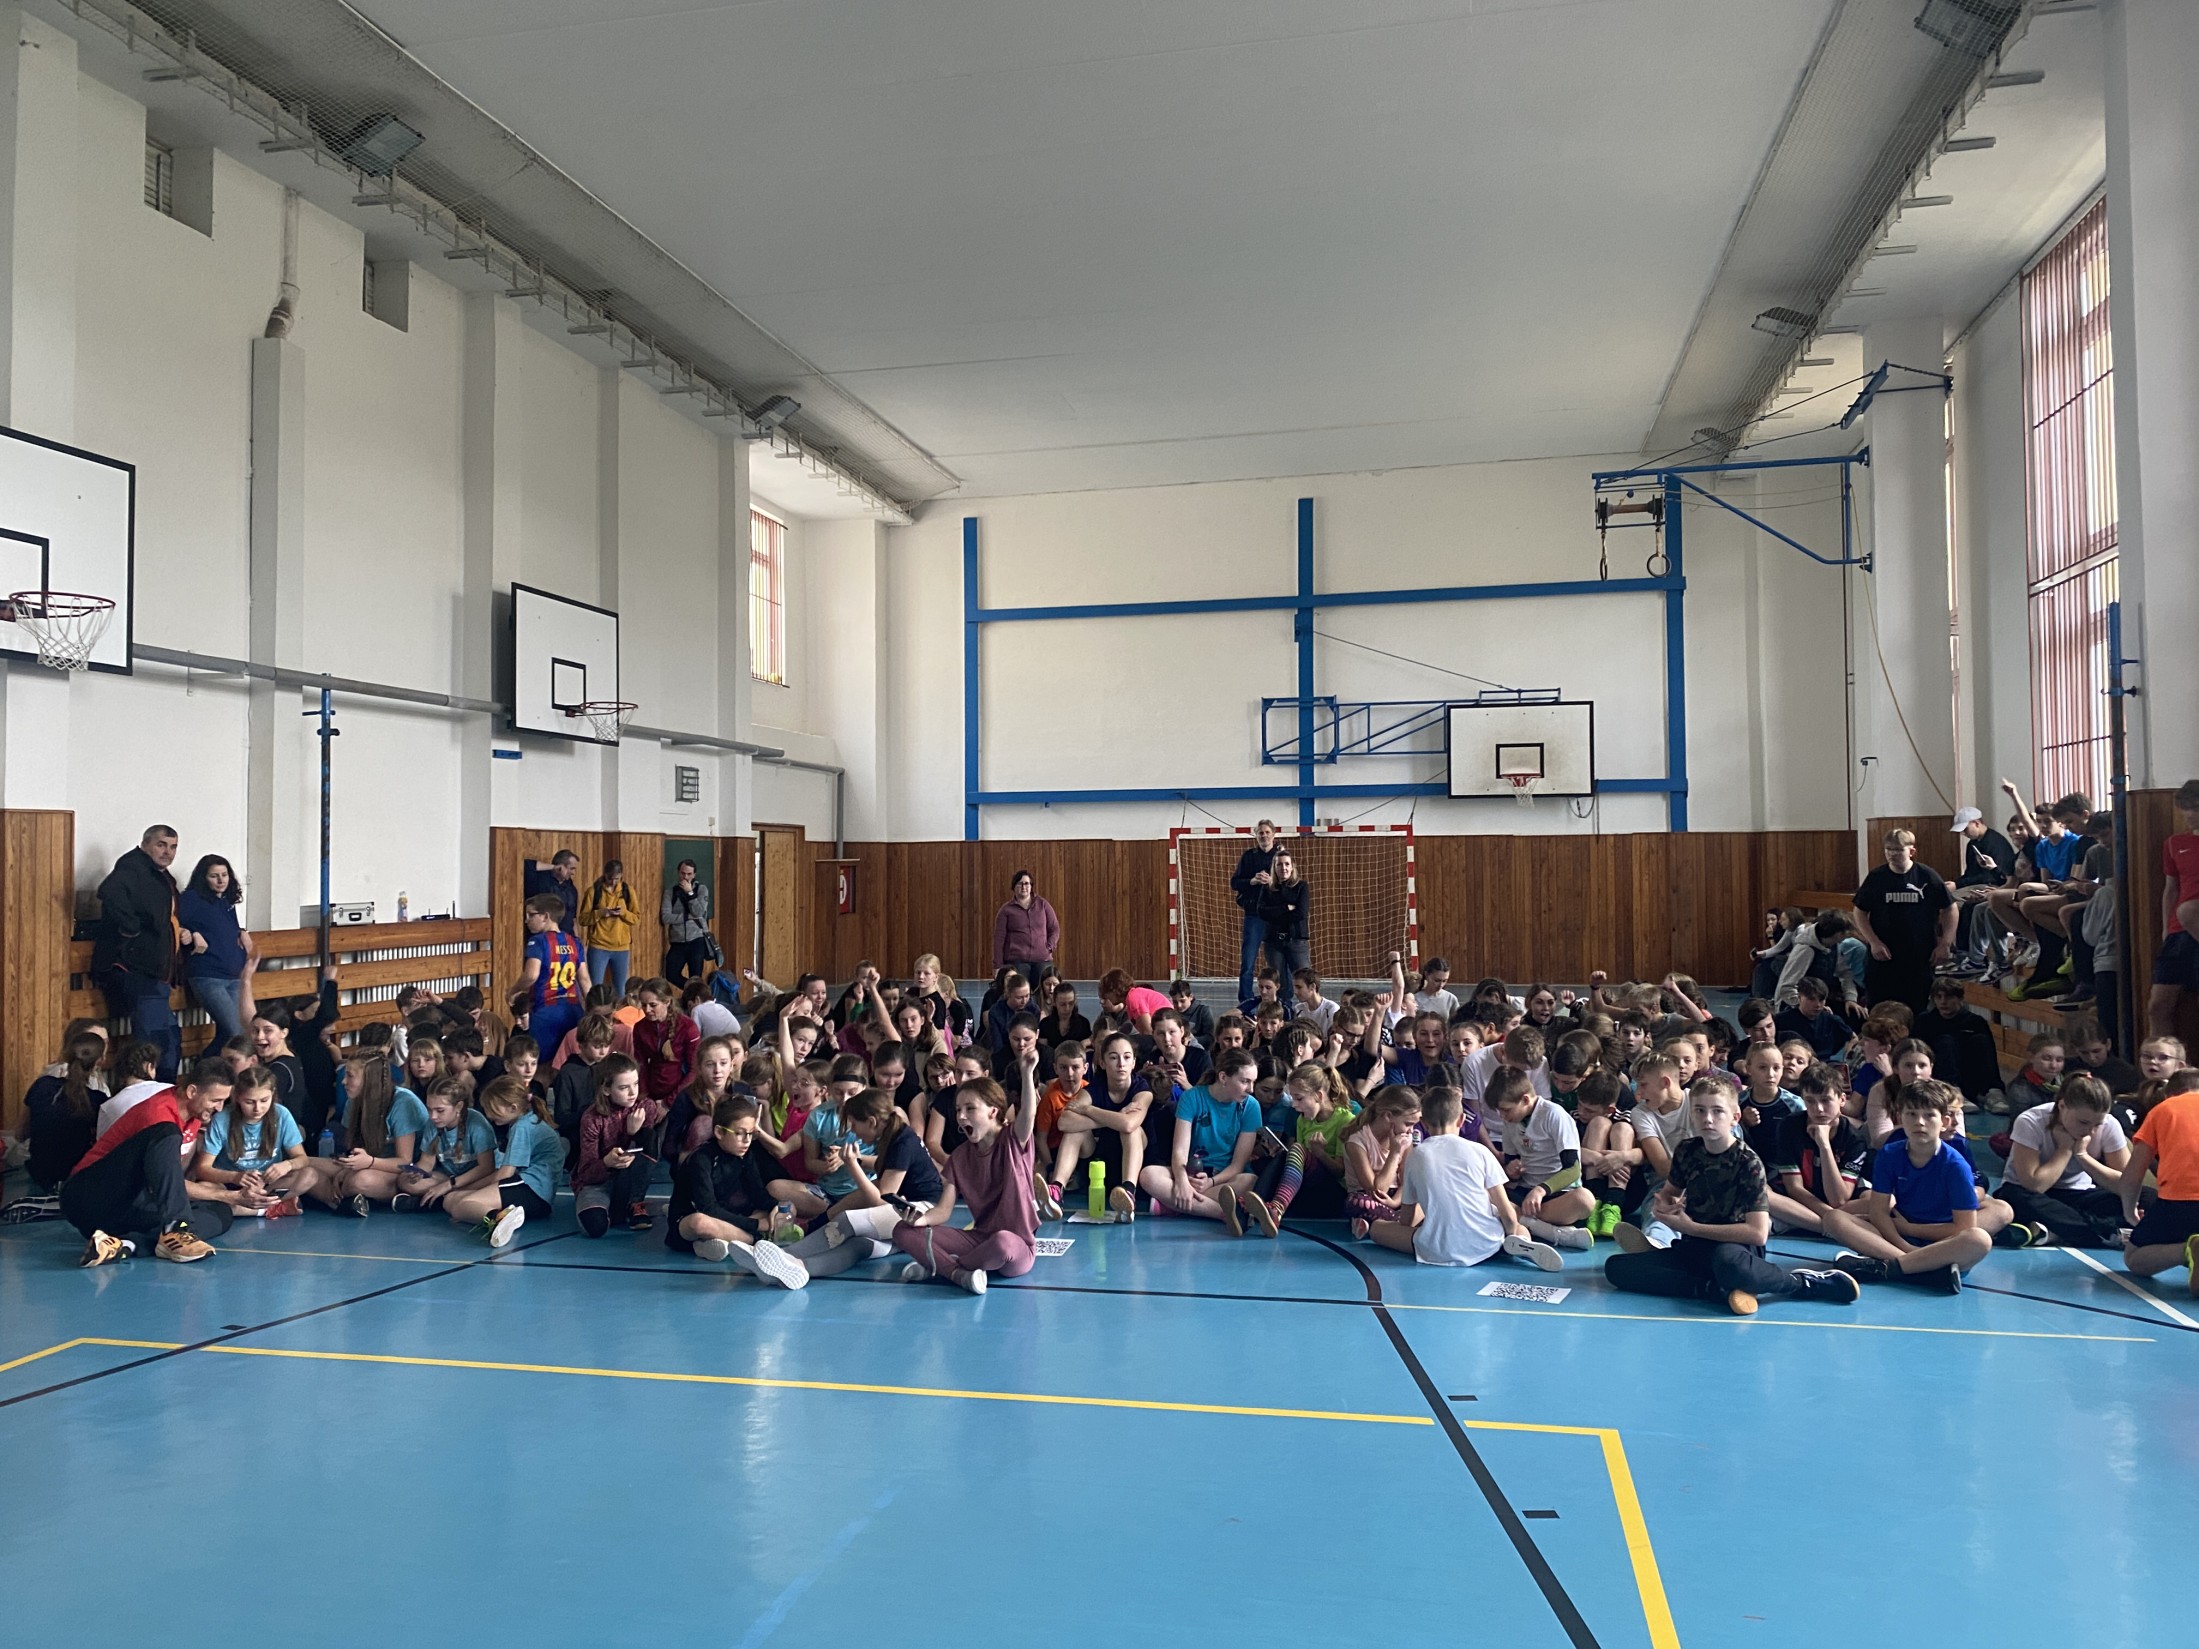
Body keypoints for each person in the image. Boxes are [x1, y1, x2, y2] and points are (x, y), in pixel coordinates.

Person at [1605, 1075, 1859, 1315]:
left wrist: (1691, 1227)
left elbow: (1757, 1234)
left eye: (1717, 1111)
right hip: (1695, 1247)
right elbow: (1670, 1193)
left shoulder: (1748, 1162)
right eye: (1700, 1110)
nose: (1708, 1119)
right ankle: (1714, 1290)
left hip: (1737, 1250)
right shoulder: (1687, 1151)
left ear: (1735, 1117)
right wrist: (1664, 1206)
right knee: (1616, 1268)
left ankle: (1800, 1283)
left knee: (1730, 1264)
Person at [1821, 1080, 1995, 1293]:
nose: (1919, 1122)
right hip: (1897, 1239)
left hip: (1942, 1242)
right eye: (1911, 1114)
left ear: (1945, 1121)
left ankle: (1887, 1268)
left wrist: (1909, 1230)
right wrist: (1905, 1247)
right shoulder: (1889, 1154)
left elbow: (1963, 1228)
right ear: (1899, 1118)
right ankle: (1924, 1271)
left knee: (1979, 1239)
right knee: (1833, 1218)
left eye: (1929, 1115)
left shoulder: (1956, 1165)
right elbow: (1878, 1212)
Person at [1365, 1087, 1561, 1270]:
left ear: (1423, 1123)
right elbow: (1507, 1213)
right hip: (1487, 1242)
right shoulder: (1480, 1151)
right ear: (1461, 1120)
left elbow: (1407, 1220)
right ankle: (1521, 1242)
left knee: (1377, 1229)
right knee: (1519, 1228)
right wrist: (1512, 1231)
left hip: (1437, 1249)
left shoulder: (1416, 1155)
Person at [65, 1057, 236, 1266]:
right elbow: (167, 1185)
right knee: (166, 1131)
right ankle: (176, 1228)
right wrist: (228, 1194)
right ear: (192, 1092)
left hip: (124, 1208)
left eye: (223, 1101)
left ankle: (125, 1245)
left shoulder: (195, 1117)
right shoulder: (159, 1114)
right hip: (88, 1194)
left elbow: (170, 1184)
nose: (220, 1108)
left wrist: (227, 1199)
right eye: (215, 1100)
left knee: (221, 1211)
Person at [892, 1063, 1042, 1295]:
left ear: (993, 1112)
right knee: (902, 1231)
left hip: (1017, 1245)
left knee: (1002, 1242)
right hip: (978, 1239)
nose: (961, 1116)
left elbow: (1029, 1115)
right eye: (958, 1109)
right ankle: (957, 1273)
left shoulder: (1013, 1139)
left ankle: (941, 1267)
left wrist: (1027, 1073)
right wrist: (919, 1220)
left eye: (970, 1108)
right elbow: (943, 1211)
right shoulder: (960, 1156)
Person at [669, 1095, 810, 1288]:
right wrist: (757, 1226)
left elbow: (759, 1195)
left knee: (786, 1207)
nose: (747, 1140)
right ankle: (756, 1242)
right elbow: (708, 1208)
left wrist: (777, 1208)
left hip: (731, 1218)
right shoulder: (701, 1159)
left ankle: (718, 1243)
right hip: (692, 1221)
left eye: (751, 1134)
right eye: (740, 1134)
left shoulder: (745, 1154)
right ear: (719, 1132)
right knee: (700, 1223)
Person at [94, 825, 190, 1081]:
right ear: (146, 844)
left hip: (157, 973)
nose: (168, 852)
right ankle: (152, 1093)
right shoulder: (133, 868)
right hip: (139, 970)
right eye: (161, 845)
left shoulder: (160, 875)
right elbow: (109, 892)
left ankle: (164, 1091)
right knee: (154, 1043)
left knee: (169, 1038)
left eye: (173, 847)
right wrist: (132, 929)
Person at [1139, 1046, 1267, 1234]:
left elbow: (1238, 1165)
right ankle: (1225, 1213)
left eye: (1253, 1082)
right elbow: (1180, 1151)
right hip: (1192, 1173)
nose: (1251, 1089)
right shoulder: (1192, 1097)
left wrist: (1211, 1182)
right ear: (1223, 1077)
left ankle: (1175, 1205)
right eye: (1244, 1081)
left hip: (1224, 1178)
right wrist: (1182, 1181)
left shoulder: (1251, 1106)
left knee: (1249, 1180)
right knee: (1148, 1175)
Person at [1997, 1073, 2131, 1248]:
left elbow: (2128, 1184)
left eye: (2097, 1124)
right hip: (2031, 1194)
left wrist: (2083, 1156)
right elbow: (2035, 1186)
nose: (2090, 1131)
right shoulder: (2030, 1121)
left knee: (2145, 1198)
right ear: (2062, 1106)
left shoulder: (2109, 1124)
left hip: (2077, 1194)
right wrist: (2064, 1149)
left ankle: (2056, 1232)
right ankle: (2106, 1234)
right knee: (2017, 1200)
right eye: (2083, 1122)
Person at [444, 1076, 561, 1247]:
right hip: (537, 1197)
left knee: (462, 1205)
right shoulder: (526, 1121)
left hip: (532, 1190)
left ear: (513, 1107)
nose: (488, 1115)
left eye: (492, 1109)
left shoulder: (522, 1127)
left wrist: (467, 1190)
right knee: (450, 1200)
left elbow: (504, 1175)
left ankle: (500, 1219)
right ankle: (501, 1217)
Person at [1851, 829, 1956, 1012]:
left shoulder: (1927, 876)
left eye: (1898, 850)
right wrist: (1873, 941)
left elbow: (1950, 908)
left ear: (1911, 851)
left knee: (1917, 1009)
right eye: (1889, 849)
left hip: (1918, 956)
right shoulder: (1877, 877)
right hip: (1884, 956)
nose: (1892, 854)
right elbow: (1859, 912)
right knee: (1880, 1009)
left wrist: (1945, 943)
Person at [1765, 1063, 1869, 1235]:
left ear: (1842, 1100)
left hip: (1841, 1205)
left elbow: (1838, 1200)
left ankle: (1808, 1224)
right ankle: (1833, 1229)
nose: (1818, 1109)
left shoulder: (1854, 1139)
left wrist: (1824, 1145)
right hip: (1799, 1204)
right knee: (1762, 1193)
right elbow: (1794, 1188)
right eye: (1810, 1101)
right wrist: (1831, 1217)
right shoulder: (1789, 1126)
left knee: (1884, 1202)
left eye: (1826, 1100)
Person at [2121, 1069, 2199, 1293]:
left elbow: (2133, 1174)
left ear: (2168, 1094)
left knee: (2134, 1257)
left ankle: (2187, 1249)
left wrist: (2130, 1211)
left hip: (2179, 1202)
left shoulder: (2163, 1109)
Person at [572, 1053, 664, 1236]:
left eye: (635, 1084)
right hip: (598, 1182)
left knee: (649, 1136)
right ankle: (611, 1210)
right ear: (606, 1089)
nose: (632, 1093)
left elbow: (644, 1156)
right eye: (623, 1087)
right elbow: (586, 1173)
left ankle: (635, 1203)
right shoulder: (592, 1118)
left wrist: (633, 1134)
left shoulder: (645, 1107)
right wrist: (607, 1162)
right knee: (595, 1227)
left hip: (628, 1180)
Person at [174, 854, 256, 1043]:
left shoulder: (226, 901)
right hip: (209, 976)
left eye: (224, 875)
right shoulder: (191, 899)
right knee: (236, 1032)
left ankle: (212, 1061)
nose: (221, 881)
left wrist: (242, 931)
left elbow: (225, 928)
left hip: (234, 975)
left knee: (233, 1033)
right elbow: (174, 924)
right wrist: (192, 933)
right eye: (214, 876)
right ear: (203, 878)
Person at [2150, 779, 2199, 1039]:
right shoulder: (2174, 843)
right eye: (2186, 808)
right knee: (2158, 1006)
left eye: (2195, 808)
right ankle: (2162, 1059)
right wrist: (2166, 929)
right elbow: (2171, 889)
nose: (2189, 814)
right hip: (2180, 930)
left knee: (2189, 910)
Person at [520, 893, 590, 1061]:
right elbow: (584, 980)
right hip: (573, 1009)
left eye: (531, 915)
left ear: (545, 916)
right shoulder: (574, 942)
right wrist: (592, 1010)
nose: (527, 920)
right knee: (570, 1061)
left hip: (546, 1010)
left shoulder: (538, 941)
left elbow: (531, 975)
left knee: (540, 1063)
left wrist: (512, 991)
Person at [1229, 819, 1283, 1006]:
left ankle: (1282, 1000)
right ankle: (1245, 1000)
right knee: (1248, 961)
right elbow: (1235, 883)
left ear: (1273, 834)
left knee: (1279, 961)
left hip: (1277, 916)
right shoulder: (1248, 856)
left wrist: (1271, 882)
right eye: (1260, 832)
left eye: (1267, 832)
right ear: (1256, 835)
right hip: (1254, 914)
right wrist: (1252, 881)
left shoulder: (1281, 856)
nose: (1264, 836)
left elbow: (1291, 883)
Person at [576, 859, 638, 998]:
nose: (613, 882)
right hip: (598, 946)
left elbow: (636, 918)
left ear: (621, 876)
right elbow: (583, 919)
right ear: (605, 874)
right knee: (596, 988)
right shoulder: (594, 891)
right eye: (610, 878)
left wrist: (623, 913)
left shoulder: (628, 891)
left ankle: (619, 1012)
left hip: (621, 947)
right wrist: (600, 913)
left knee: (620, 990)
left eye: (617, 879)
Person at [1250, 848, 1312, 987]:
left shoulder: (1301, 886)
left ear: (1292, 867)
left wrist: (1274, 913)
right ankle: (1283, 1003)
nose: (1283, 868)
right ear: (1274, 867)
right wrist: (1285, 908)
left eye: (1286, 864)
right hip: (1273, 942)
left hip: (1296, 941)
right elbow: (1261, 912)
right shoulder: (1267, 888)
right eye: (1279, 864)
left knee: (1305, 980)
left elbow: (1300, 913)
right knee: (1279, 983)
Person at [991, 868, 1060, 981]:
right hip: (1016, 960)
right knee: (1018, 984)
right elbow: (999, 939)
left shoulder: (1043, 905)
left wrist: (1049, 947)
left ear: (1031, 886)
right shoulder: (1006, 910)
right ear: (1014, 887)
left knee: (1047, 981)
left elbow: (1054, 928)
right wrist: (997, 965)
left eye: (1027, 883)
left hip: (1042, 959)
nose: (1024, 887)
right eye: (1020, 884)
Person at [661, 859, 715, 986]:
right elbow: (666, 917)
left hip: (696, 939)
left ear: (694, 874)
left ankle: (695, 993)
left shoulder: (701, 889)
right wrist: (686, 917)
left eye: (689, 874)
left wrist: (690, 893)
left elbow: (699, 912)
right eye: (683, 873)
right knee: (670, 974)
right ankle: (692, 991)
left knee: (695, 977)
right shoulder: (670, 892)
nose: (685, 877)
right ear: (678, 873)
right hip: (677, 941)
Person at [522, 848, 581, 934]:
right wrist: (553, 867)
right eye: (571, 868)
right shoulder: (540, 880)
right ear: (561, 866)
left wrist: (576, 939)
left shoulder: (571, 889)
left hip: (566, 937)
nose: (573, 873)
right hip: (543, 937)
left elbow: (573, 918)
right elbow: (526, 865)